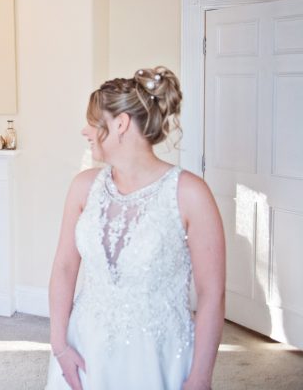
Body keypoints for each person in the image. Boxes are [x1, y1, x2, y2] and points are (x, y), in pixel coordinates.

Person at [45, 67, 226, 390]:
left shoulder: (190, 194)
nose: (85, 131)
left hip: (157, 357)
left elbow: (212, 293)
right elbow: (64, 267)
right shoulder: (83, 186)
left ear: (121, 124)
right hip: (86, 347)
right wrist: (59, 345)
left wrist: (200, 377)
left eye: (93, 121)